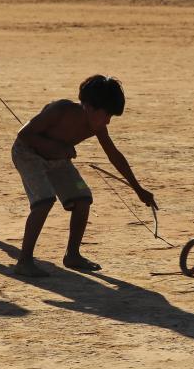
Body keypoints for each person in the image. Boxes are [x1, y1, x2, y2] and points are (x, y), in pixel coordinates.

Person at [11, 75, 156, 277]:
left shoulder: (97, 126)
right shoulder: (60, 110)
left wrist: (138, 189)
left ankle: (72, 255)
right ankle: (24, 260)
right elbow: (24, 135)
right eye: (106, 115)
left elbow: (114, 155)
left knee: (82, 199)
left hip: (58, 160)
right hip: (27, 154)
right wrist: (56, 147)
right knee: (44, 201)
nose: (107, 121)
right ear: (88, 106)